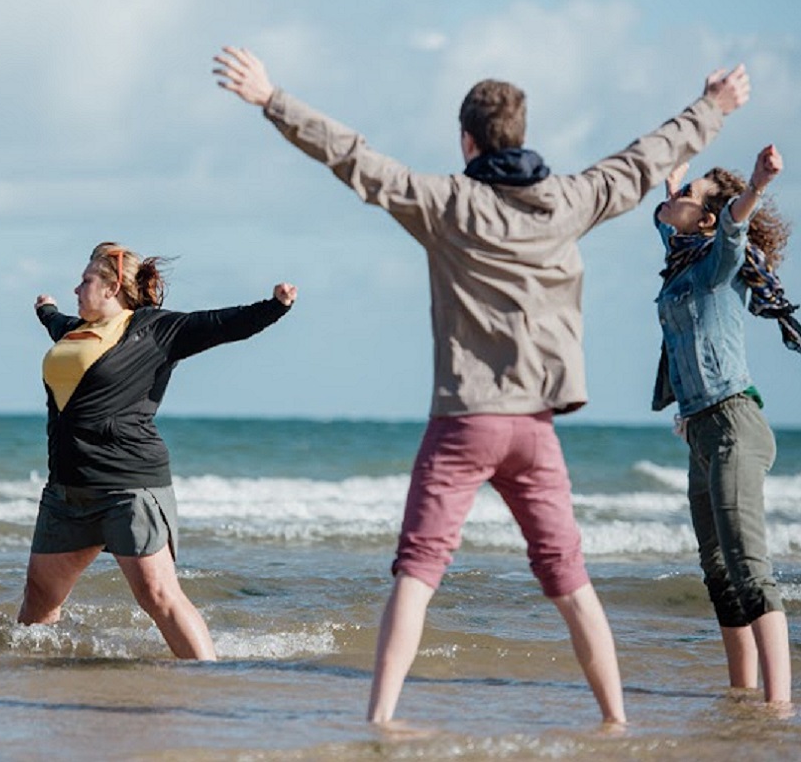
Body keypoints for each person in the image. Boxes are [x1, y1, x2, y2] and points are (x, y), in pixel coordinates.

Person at [214, 45, 751, 725]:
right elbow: (647, 159)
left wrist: (270, 98)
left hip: (464, 422)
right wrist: (714, 107)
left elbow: (354, 159)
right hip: (533, 429)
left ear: (467, 140)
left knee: (416, 573)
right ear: (521, 135)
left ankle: (380, 721)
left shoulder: (446, 203)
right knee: (570, 580)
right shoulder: (570, 200)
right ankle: (616, 722)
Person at [21, 242, 296, 659]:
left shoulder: (156, 331)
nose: (77, 289)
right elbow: (55, 322)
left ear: (112, 287)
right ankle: (44, 692)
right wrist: (46, 310)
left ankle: (207, 684)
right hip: (68, 490)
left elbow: (221, 324)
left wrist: (273, 307)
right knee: (39, 601)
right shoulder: (74, 331)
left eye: (86, 281)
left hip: (129, 489)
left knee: (158, 595)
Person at [652, 144, 795, 706]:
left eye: (686, 197)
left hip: (735, 424)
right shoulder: (681, 257)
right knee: (718, 572)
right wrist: (673, 179)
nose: (672, 202)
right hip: (700, 435)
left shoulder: (716, 261)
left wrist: (755, 186)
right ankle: (742, 695)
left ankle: (779, 707)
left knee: (748, 565)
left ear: (707, 216)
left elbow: (734, 228)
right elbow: (669, 221)